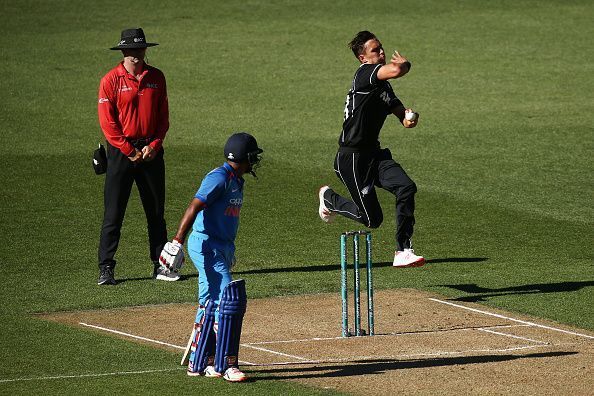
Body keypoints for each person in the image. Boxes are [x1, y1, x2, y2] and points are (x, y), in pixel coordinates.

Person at [159, 132, 263, 382]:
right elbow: (194, 206)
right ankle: (226, 365)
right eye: (252, 156)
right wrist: (177, 242)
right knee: (229, 299)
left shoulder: (237, 180)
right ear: (242, 157)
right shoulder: (219, 178)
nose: (255, 161)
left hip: (222, 247)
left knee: (210, 302)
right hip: (206, 245)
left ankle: (200, 362)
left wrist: (229, 249)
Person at [318, 30, 425, 268]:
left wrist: (408, 119)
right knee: (372, 219)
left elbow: (401, 114)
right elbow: (397, 70)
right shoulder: (365, 74)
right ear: (363, 58)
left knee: (406, 187)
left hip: (374, 155)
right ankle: (329, 198)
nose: (382, 53)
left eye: (381, 48)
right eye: (375, 50)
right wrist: (404, 64)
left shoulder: (384, 88)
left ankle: (403, 249)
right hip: (352, 159)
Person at [97, 28, 178, 285]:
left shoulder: (157, 78)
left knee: (155, 212)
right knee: (114, 213)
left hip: (151, 153)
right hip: (122, 153)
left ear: (145, 50)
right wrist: (129, 150)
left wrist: (154, 145)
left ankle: (161, 265)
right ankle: (106, 268)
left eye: (139, 49)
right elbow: (108, 124)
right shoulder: (110, 80)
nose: (135, 54)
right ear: (123, 51)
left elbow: (163, 118)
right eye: (131, 50)